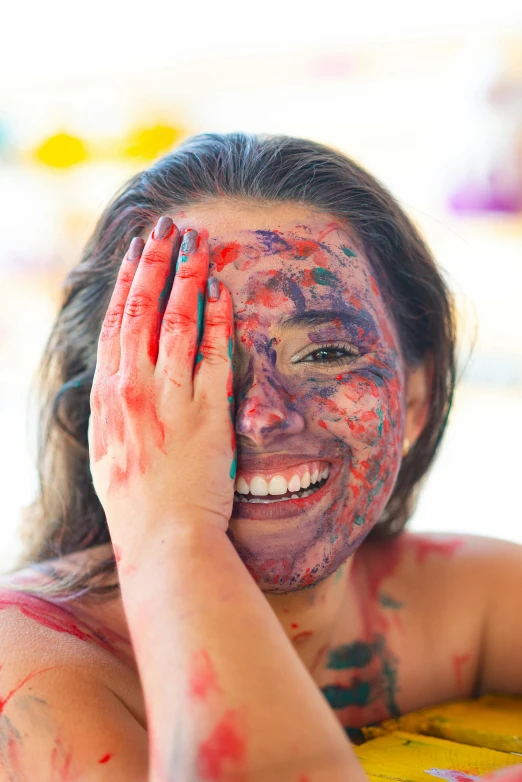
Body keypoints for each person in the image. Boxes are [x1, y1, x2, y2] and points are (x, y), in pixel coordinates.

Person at [0, 132, 521, 782]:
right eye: (194, 367)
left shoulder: (460, 602)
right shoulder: (30, 669)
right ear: (108, 417)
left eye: (328, 354)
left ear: (415, 397)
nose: (264, 414)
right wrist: (174, 530)